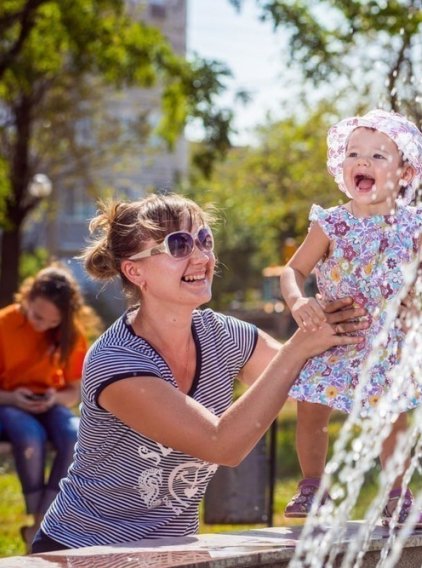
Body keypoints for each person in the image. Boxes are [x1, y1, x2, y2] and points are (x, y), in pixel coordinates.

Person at [31, 193, 370, 554]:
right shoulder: (116, 360)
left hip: (172, 552)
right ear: (135, 271)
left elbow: (310, 383)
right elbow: (220, 444)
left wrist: (372, 311)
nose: (202, 256)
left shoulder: (224, 335)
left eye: (205, 240)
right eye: (178, 245)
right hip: (83, 550)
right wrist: (299, 346)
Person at [279, 109, 422, 529]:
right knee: (311, 410)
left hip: (386, 340)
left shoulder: (412, 223)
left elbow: (414, 278)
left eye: (379, 156)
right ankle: (312, 487)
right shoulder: (331, 224)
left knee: (393, 419)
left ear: (403, 173)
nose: (363, 161)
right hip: (337, 334)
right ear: (340, 166)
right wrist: (297, 301)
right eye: (354, 153)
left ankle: (397, 495)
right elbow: (294, 270)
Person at [0, 264, 99, 552]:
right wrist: (12, 398)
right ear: (28, 297)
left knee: (75, 432)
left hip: (48, 402)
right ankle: (39, 518)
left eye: (51, 322)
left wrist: (52, 400)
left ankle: (43, 522)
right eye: (37, 316)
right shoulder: (4, 324)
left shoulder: (71, 335)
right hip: (8, 403)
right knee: (29, 434)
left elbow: (72, 391)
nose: (41, 326)